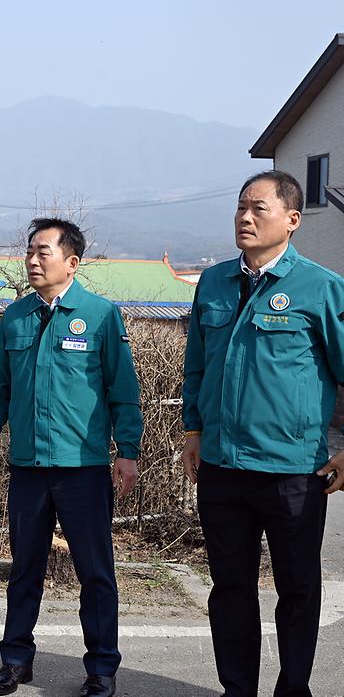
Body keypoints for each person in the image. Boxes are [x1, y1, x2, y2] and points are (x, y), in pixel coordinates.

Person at [181, 170, 344, 697]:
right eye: (239, 208)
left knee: (297, 588)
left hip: (293, 471)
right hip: (223, 469)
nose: (245, 217)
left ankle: (293, 687)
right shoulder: (214, 281)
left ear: (292, 220)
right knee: (230, 589)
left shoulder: (319, 287)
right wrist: (193, 430)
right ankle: (237, 689)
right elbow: (197, 364)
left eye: (258, 208)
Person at [0, 218, 143, 697]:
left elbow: (123, 392)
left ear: (71, 262)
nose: (31, 260)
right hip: (28, 469)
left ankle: (101, 669)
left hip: (83, 470)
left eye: (42, 252)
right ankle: (15, 663)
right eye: (29, 251)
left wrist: (126, 452)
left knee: (95, 572)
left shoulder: (101, 315)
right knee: (24, 569)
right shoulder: (15, 317)